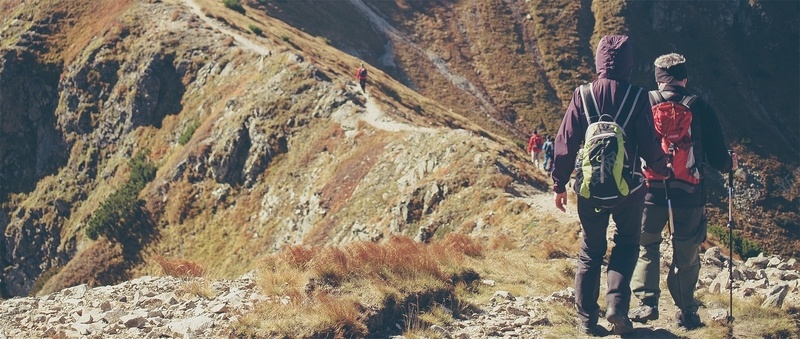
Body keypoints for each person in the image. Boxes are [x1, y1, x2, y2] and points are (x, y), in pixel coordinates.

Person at [551, 35, 669, 336]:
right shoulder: (638, 95)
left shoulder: (583, 94)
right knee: (627, 244)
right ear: (629, 63)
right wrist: (660, 168)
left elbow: (564, 143)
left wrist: (560, 184)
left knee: (591, 251)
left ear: (599, 61)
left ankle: (587, 319)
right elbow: (648, 141)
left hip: (589, 190)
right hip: (629, 190)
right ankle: (617, 305)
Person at [630, 53, 737, 329]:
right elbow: (717, 160)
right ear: (684, 78)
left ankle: (647, 303)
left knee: (646, 246)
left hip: (649, 192)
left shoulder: (642, 103)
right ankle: (686, 311)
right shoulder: (701, 108)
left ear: (657, 78)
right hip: (689, 195)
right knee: (686, 253)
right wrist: (730, 162)